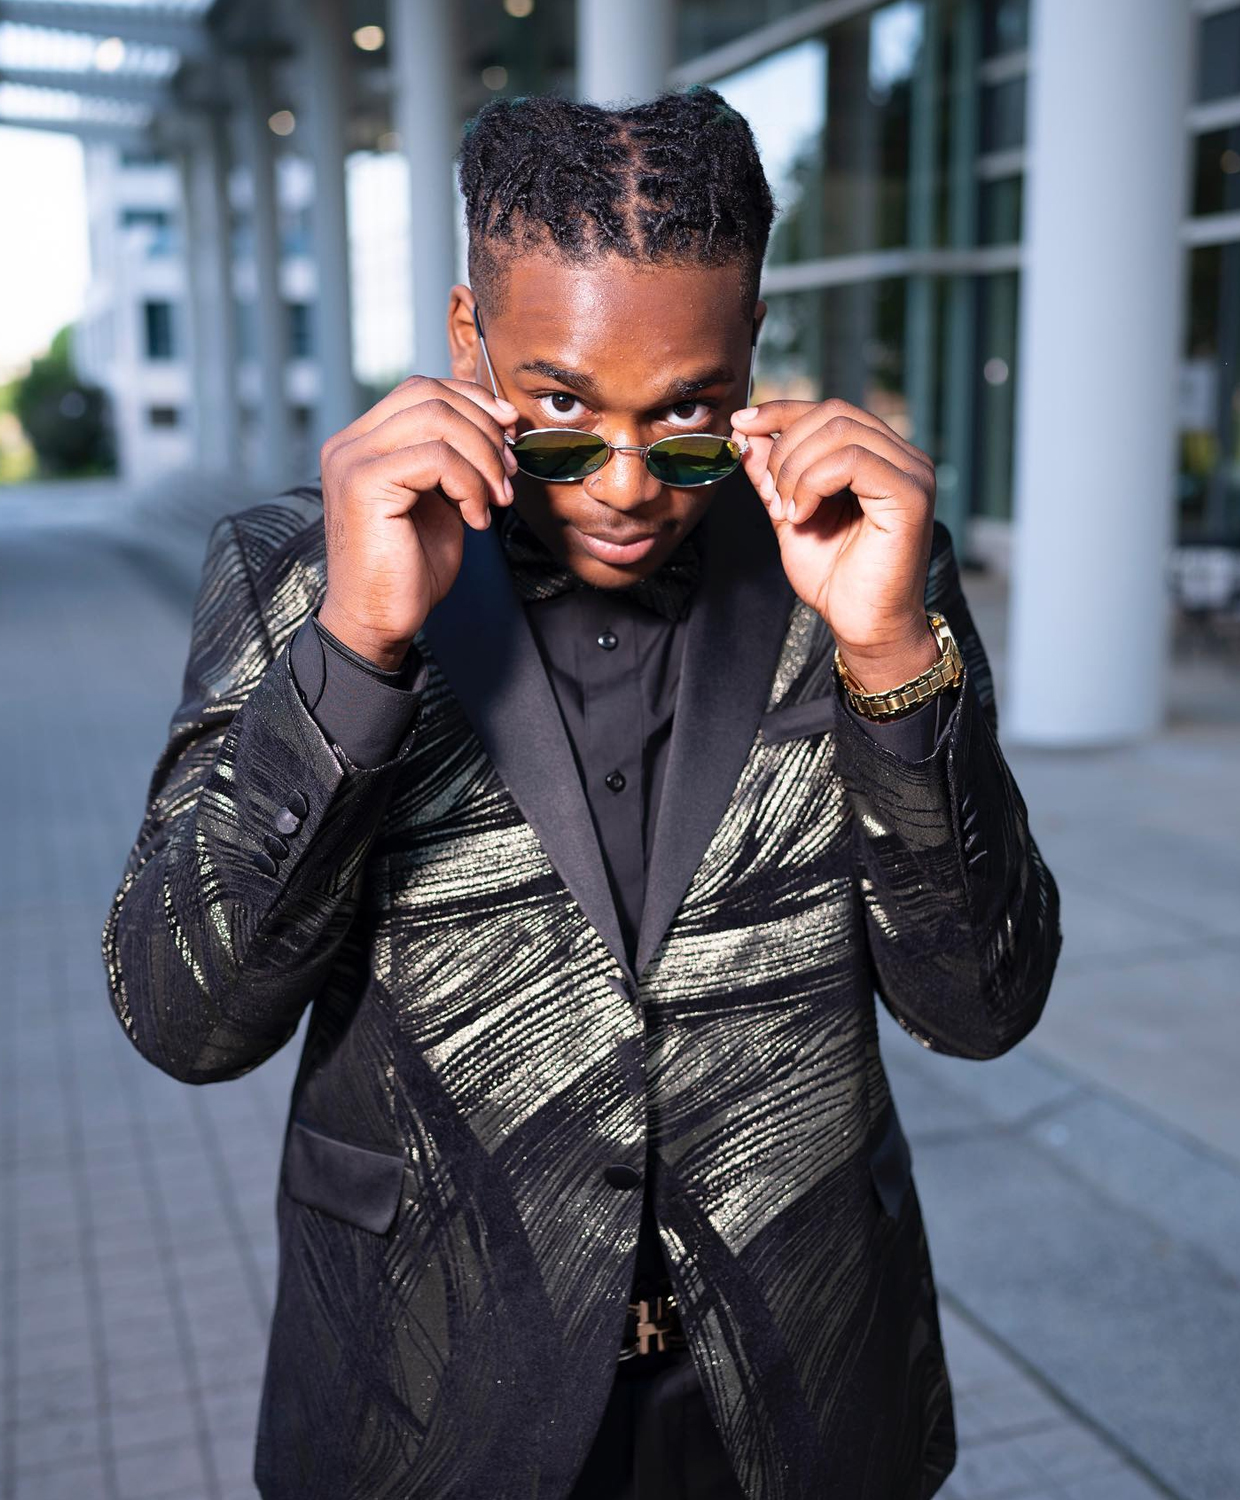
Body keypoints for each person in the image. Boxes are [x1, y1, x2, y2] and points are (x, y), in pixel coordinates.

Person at [101, 87, 1062, 1500]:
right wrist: (357, 652)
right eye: (559, 407)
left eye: (687, 414)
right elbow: (187, 1021)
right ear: (467, 338)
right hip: (433, 1399)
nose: (624, 484)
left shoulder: (860, 561)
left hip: (799, 1398)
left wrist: (891, 659)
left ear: (750, 349)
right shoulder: (295, 572)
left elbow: (983, 1005)